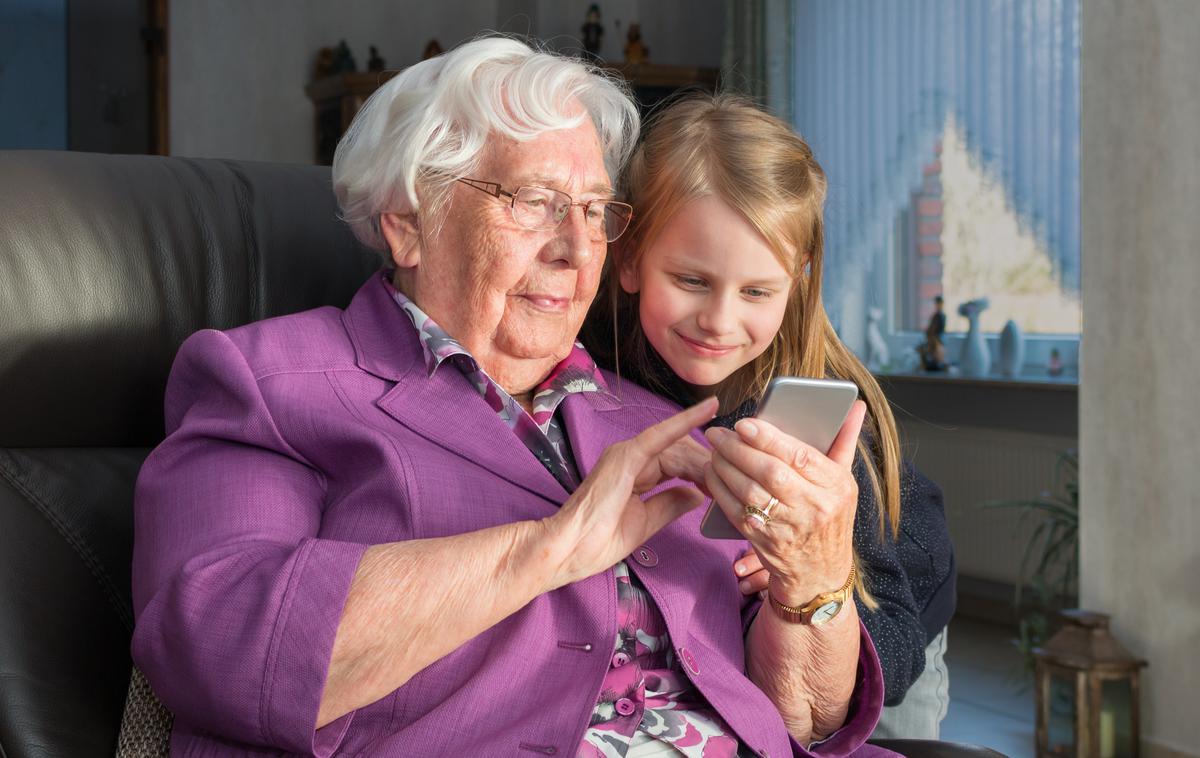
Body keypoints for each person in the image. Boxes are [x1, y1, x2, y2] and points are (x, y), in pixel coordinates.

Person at [130, 38, 893, 756]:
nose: (577, 246)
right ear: (407, 224)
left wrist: (813, 585)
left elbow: (803, 723)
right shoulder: (268, 383)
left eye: (596, 210)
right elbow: (214, 651)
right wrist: (549, 548)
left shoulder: (659, 423)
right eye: (534, 200)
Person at [581, 94, 956, 739]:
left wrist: (802, 574)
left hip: (898, 635)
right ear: (630, 257)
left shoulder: (821, 413)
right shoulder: (587, 357)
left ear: (798, 282)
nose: (720, 322)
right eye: (692, 281)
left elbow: (888, 654)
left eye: (758, 292)